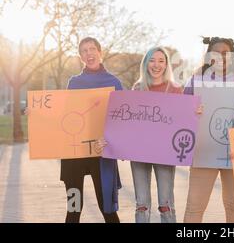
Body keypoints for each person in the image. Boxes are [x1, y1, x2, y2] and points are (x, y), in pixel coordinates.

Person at [128, 46, 201, 223]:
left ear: (166, 65)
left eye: (161, 61)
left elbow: (182, 120)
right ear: (145, 64)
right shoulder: (137, 89)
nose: (156, 65)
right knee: (142, 204)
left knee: (166, 203)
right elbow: (128, 123)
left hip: (165, 153)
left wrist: (194, 113)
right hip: (139, 153)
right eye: (152, 60)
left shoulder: (175, 89)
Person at [183, 36, 234, 223]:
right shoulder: (196, 81)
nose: (221, 57)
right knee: (194, 207)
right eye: (216, 53)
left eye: (226, 53)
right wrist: (192, 111)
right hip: (204, 151)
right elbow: (182, 112)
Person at [61, 37, 122, 223]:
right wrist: (36, 112)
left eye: (92, 49)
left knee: (108, 209)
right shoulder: (74, 83)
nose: (89, 53)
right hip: (74, 155)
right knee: (74, 209)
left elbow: (122, 118)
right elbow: (64, 115)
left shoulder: (113, 82)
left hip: (102, 154)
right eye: (84, 51)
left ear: (100, 52)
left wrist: (111, 139)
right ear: (81, 57)